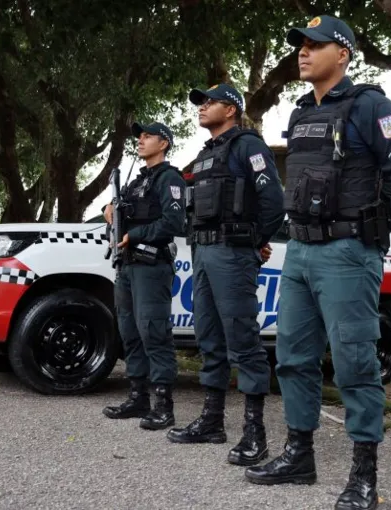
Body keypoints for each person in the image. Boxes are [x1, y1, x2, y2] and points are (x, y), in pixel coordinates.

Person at [244, 15, 391, 510]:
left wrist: (371, 230)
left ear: (342, 53)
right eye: (300, 45)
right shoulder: (302, 113)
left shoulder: (371, 106)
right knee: (293, 358)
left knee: (354, 364)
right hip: (299, 251)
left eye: (314, 45)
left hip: (347, 253)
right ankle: (299, 455)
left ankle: (363, 474)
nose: (303, 52)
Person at [166, 83, 285, 468]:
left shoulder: (247, 145)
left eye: (209, 102)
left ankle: (255, 434)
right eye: (199, 102)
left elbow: (273, 201)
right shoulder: (204, 155)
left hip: (232, 253)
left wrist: (254, 242)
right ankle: (212, 421)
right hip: (202, 252)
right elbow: (174, 190)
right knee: (210, 338)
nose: (201, 107)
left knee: (243, 341)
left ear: (231, 109)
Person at [102, 121, 186, 431]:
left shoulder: (170, 179)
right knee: (130, 332)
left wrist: (136, 234)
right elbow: (118, 208)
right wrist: (108, 209)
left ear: (163, 143)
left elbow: (174, 223)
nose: (141, 140)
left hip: (151, 266)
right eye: (140, 135)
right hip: (127, 266)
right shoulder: (136, 182)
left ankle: (164, 406)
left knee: (154, 333)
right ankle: (138, 398)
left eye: (148, 136)